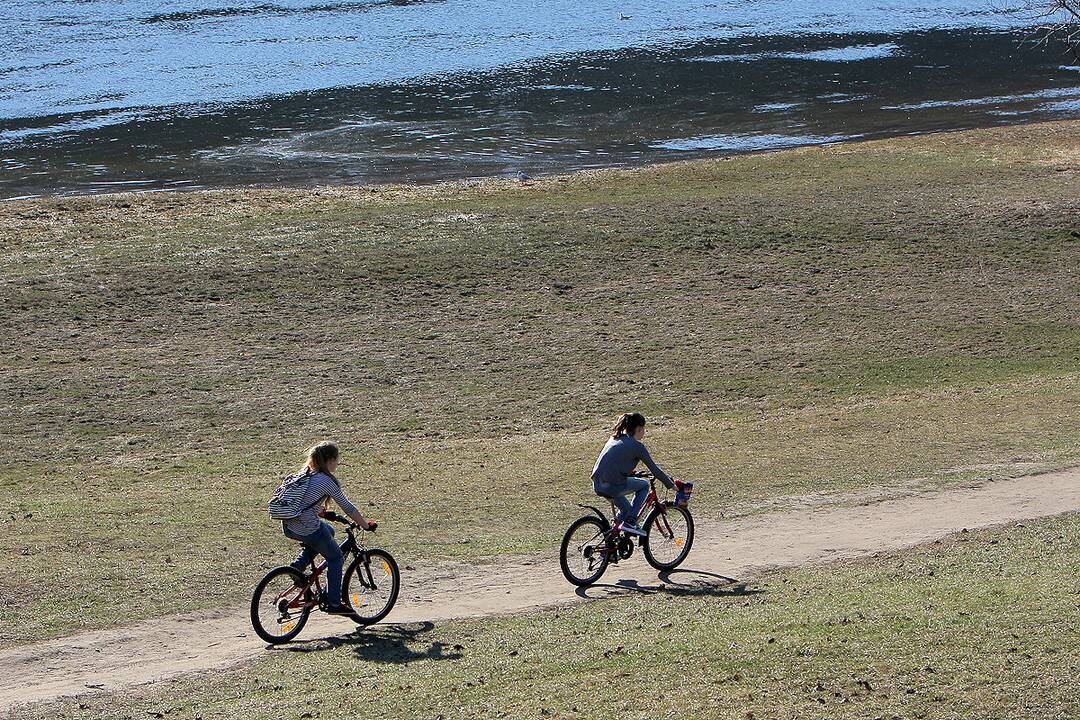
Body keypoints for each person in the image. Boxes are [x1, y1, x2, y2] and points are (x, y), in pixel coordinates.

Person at [282, 441, 374, 615]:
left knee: (329, 531)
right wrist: (365, 524)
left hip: (289, 526)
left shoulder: (306, 474)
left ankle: (298, 567)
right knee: (336, 558)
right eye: (337, 459)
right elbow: (348, 507)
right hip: (306, 528)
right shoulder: (326, 481)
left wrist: (323, 513)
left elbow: (305, 501)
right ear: (330, 460)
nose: (338, 463)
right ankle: (334, 603)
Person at [591, 412, 676, 536]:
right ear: (638, 429)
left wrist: (632, 473)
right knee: (644, 486)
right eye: (644, 429)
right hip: (612, 485)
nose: (644, 432)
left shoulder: (615, 438)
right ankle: (630, 522)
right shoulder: (638, 447)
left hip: (597, 484)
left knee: (626, 509)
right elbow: (655, 470)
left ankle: (609, 546)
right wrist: (671, 484)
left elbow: (613, 464)